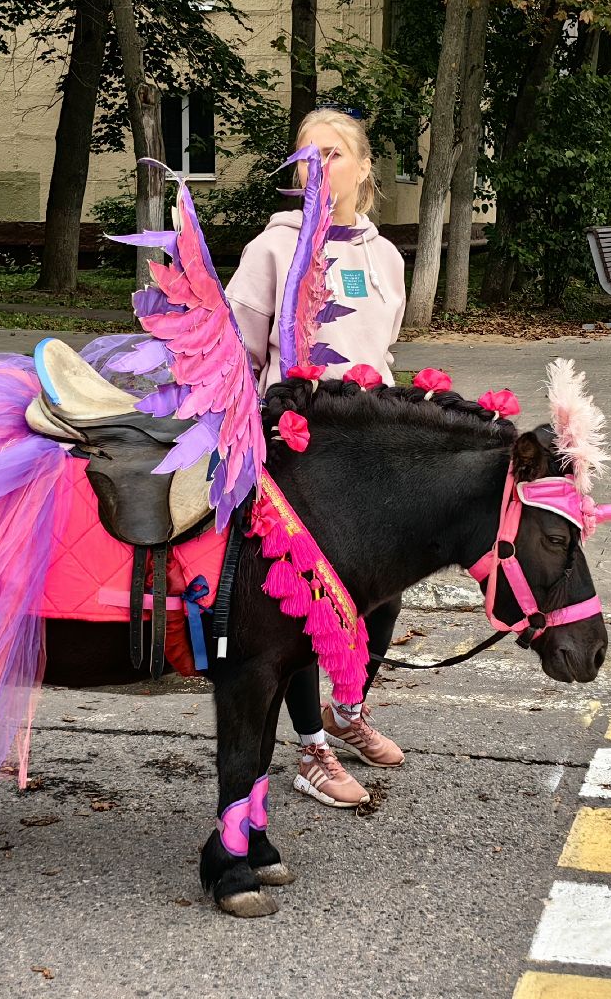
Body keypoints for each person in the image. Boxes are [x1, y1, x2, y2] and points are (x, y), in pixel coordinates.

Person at [226, 107, 408, 808]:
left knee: (383, 593)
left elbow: (380, 348)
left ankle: (350, 708)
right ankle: (311, 751)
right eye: (307, 157)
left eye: (333, 155)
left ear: (362, 168)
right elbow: (240, 355)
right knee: (299, 607)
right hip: (295, 456)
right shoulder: (272, 248)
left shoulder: (384, 256)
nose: (319, 168)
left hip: (370, 450)